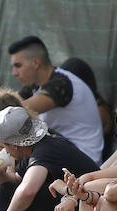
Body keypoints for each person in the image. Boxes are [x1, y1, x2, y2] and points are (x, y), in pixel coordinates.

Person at [8, 35, 103, 164]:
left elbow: (16, 111)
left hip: (84, 162)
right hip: (65, 156)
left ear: (36, 63)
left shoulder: (62, 83)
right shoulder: (36, 85)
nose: (14, 73)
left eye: (18, 66)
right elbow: (10, 103)